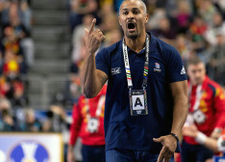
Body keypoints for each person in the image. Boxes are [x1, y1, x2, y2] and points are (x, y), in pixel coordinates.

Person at [79, 0, 188, 161]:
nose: (130, 16)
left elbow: (181, 98)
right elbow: (89, 92)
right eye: (125, 13)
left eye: (136, 12)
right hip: (119, 145)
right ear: (120, 20)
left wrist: (174, 135)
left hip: (157, 145)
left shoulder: (167, 53)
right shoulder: (107, 55)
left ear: (145, 18)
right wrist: (90, 53)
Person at [181, 56, 225, 162]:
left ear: (204, 70)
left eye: (200, 70)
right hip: (187, 140)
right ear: (188, 72)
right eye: (194, 71)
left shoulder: (214, 88)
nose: (197, 74)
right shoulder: (185, 88)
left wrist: (218, 130)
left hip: (206, 140)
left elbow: (223, 112)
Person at [68, 85, 107, 162]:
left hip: (106, 145)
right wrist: (70, 151)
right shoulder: (81, 100)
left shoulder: (108, 96)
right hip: (87, 146)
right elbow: (75, 126)